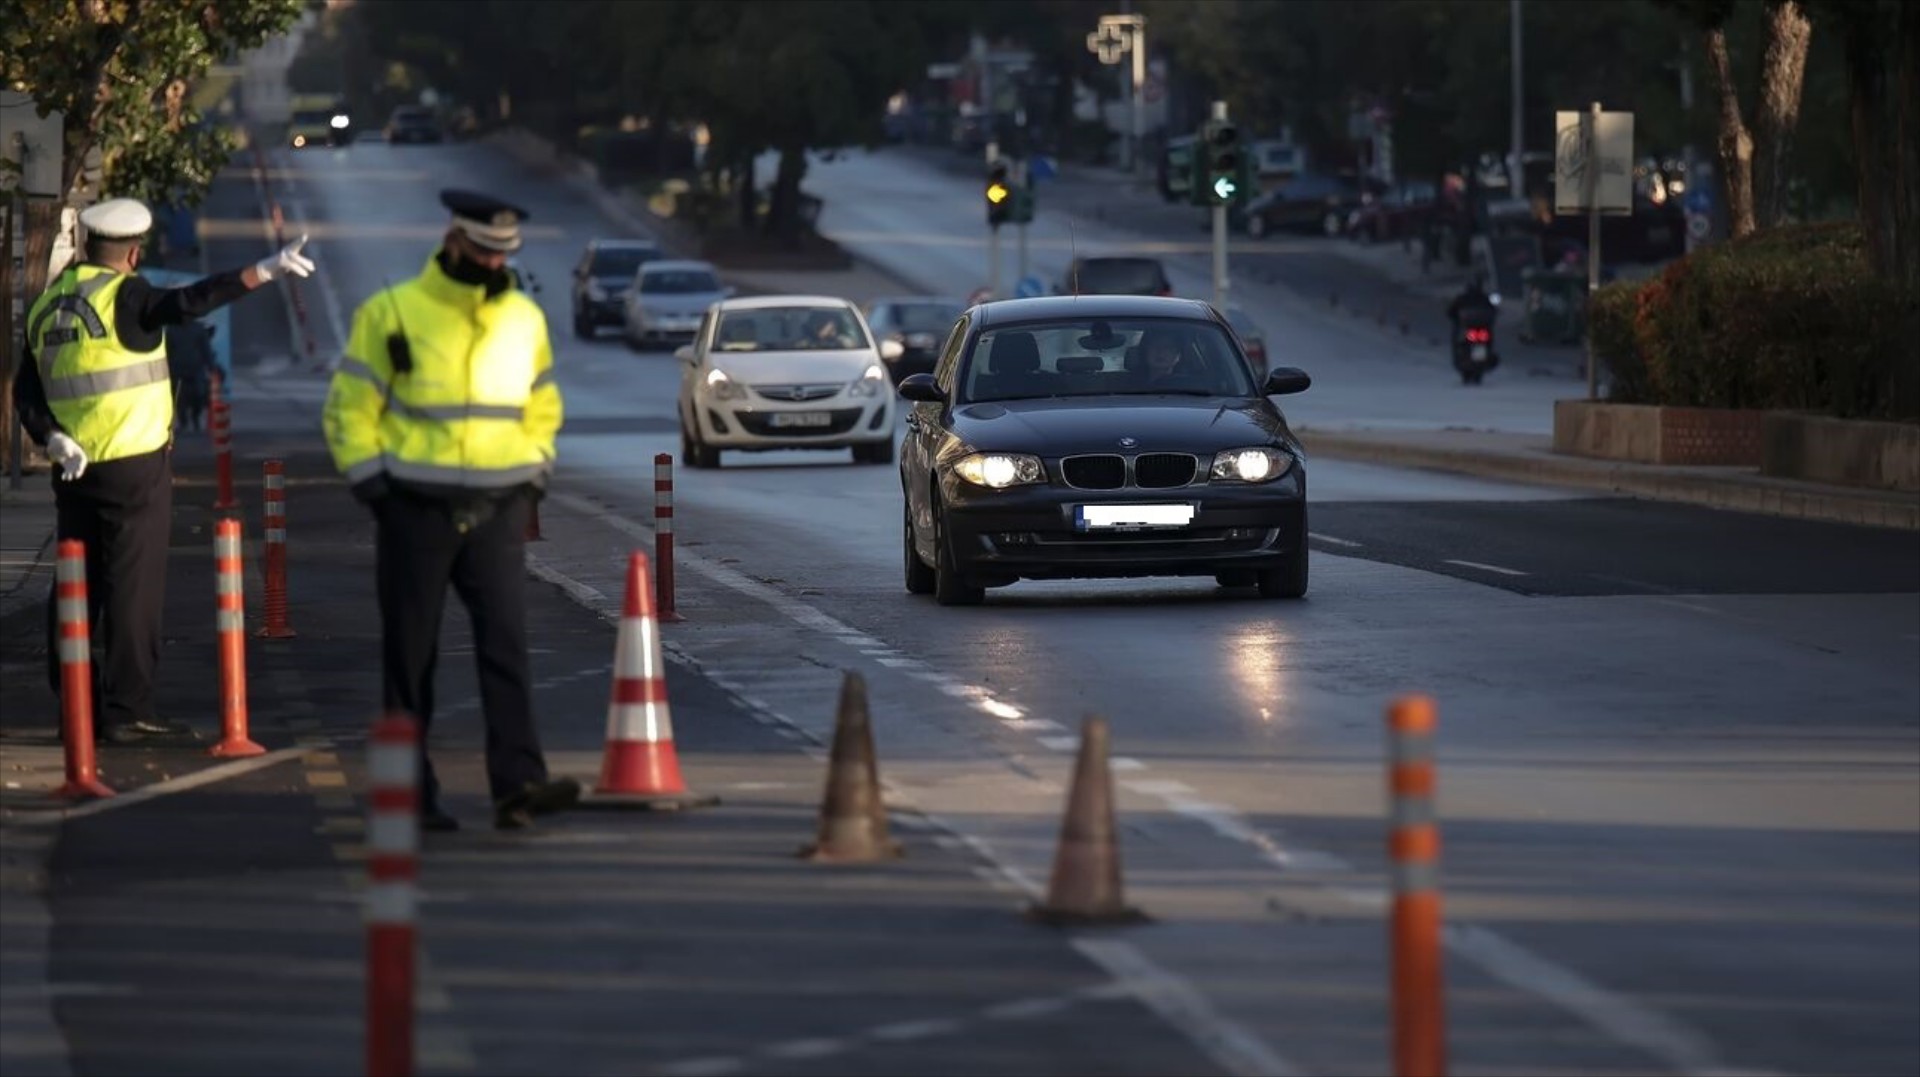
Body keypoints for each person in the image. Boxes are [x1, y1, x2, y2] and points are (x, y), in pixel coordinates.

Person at [322, 188, 577, 833]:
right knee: (411, 657)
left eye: (505, 254)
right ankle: (409, 793)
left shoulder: (523, 318)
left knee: (506, 647)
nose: (496, 264)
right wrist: (374, 485)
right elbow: (350, 407)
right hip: (415, 508)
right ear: (454, 239)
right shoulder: (394, 313)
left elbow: (542, 403)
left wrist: (535, 472)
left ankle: (518, 787)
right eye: (486, 251)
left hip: (498, 507)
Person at [13, 198, 313, 745]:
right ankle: (128, 710)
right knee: (133, 591)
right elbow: (190, 302)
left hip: (74, 471)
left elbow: (25, 393)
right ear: (131, 253)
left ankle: (76, 708)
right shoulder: (125, 295)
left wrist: (52, 438)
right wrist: (263, 271)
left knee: (75, 589)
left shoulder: (48, 304)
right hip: (133, 468)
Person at [165, 320, 214, 433]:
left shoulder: (198, 329)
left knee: (199, 395)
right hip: (177, 369)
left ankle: (195, 416)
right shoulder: (172, 330)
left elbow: (205, 349)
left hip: (195, 369)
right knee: (179, 398)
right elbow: (167, 350)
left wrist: (211, 366)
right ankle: (183, 421)